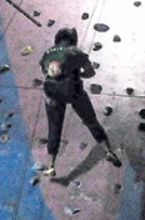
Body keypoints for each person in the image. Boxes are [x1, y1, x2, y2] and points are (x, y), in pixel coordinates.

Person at [39, 27, 120, 177]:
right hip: (73, 91)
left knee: (54, 128)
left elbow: (45, 72)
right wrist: (78, 74)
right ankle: (108, 151)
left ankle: (50, 165)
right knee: (91, 121)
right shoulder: (75, 51)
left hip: (52, 93)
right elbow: (90, 72)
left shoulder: (47, 53)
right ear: (72, 39)